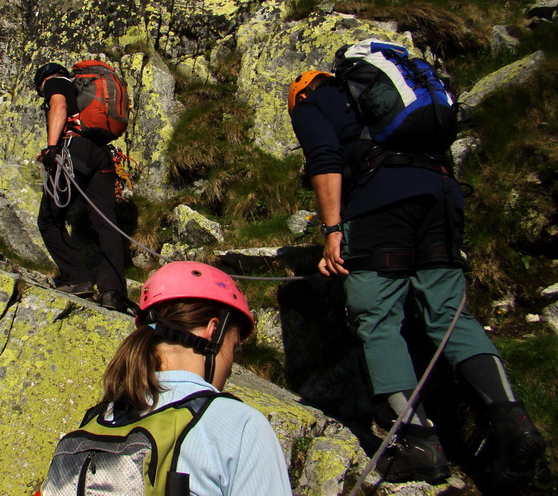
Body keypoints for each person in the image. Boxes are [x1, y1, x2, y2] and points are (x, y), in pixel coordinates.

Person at [288, 69, 545, 488]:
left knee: (377, 318)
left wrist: (332, 229)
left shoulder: (311, 100)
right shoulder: (390, 105)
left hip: (380, 205)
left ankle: (416, 443)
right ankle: (512, 421)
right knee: (449, 315)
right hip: (441, 194)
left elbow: (324, 157)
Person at [39, 261, 292, 495]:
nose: (230, 366)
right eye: (233, 348)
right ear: (212, 332)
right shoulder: (241, 425)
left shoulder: (98, 418)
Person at [34, 62, 128, 311]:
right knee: (105, 224)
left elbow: (59, 105)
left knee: (49, 220)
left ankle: (77, 279)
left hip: (73, 150)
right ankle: (112, 293)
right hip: (101, 156)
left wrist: (52, 148)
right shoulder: (82, 89)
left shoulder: (56, 83)